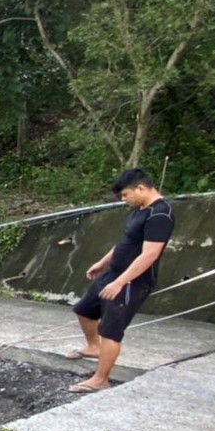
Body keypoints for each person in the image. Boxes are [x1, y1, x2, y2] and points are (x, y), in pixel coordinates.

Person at [66, 168, 175, 393]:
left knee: (111, 330)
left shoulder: (160, 215)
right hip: (114, 273)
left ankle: (100, 379)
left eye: (126, 195)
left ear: (141, 188)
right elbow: (125, 242)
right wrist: (102, 263)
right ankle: (94, 347)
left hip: (132, 281)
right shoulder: (139, 210)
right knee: (84, 310)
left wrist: (119, 283)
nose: (124, 200)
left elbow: (149, 255)